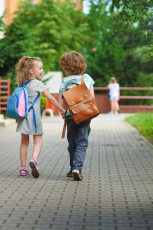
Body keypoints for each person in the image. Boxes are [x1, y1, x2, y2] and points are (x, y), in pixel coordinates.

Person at [16, 56, 65, 178]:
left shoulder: (21, 84)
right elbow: (51, 98)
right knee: (38, 140)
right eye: (40, 68)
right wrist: (61, 109)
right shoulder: (37, 84)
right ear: (32, 71)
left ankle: (23, 169)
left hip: (22, 117)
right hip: (34, 118)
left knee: (24, 143)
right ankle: (34, 159)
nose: (42, 70)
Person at [59, 51, 95, 181]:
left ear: (66, 67)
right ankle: (77, 168)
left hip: (70, 115)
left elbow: (63, 99)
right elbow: (92, 98)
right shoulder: (87, 78)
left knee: (72, 142)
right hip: (85, 114)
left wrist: (63, 112)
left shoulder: (64, 81)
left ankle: (72, 168)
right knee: (82, 142)